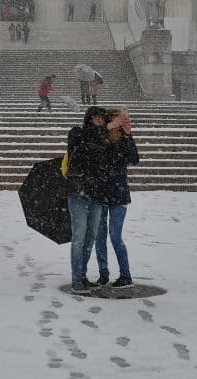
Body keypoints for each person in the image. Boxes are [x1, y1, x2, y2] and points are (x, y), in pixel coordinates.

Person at [64, 106, 109, 294]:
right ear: (89, 119)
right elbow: (87, 145)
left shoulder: (105, 139)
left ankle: (82, 276)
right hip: (79, 192)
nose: (100, 121)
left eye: (102, 119)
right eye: (97, 118)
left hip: (97, 194)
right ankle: (76, 279)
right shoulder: (78, 133)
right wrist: (102, 131)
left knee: (90, 237)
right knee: (79, 237)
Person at [94, 107, 140, 289]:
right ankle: (103, 274)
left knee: (115, 236)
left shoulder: (125, 140)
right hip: (100, 193)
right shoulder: (100, 139)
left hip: (119, 195)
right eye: (113, 121)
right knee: (100, 236)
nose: (116, 125)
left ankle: (125, 275)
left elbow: (134, 159)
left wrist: (128, 135)